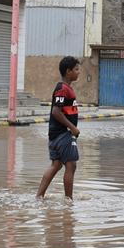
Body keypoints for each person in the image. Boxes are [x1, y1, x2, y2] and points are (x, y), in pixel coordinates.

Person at [36, 56, 81, 200]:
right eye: (76, 69)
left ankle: (39, 197)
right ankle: (69, 201)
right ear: (68, 71)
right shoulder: (62, 89)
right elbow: (56, 111)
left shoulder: (66, 88)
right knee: (71, 165)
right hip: (63, 134)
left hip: (55, 135)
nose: (78, 72)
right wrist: (72, 128)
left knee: (56, 165)